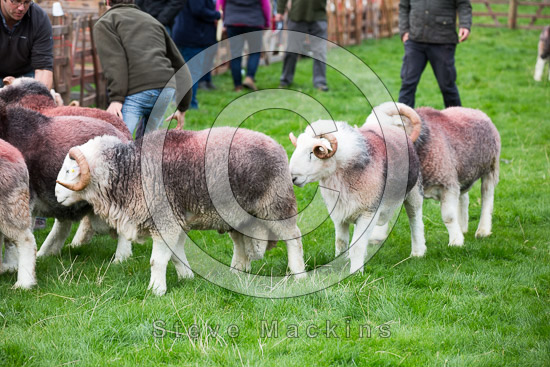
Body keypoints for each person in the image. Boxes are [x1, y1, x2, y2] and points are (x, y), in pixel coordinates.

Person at [93, 0, 191, 138]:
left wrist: (116, 99)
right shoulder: (151, 20)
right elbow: (180, 65)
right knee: (146, 148)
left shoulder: (105, 23)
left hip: (137, 91)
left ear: (107, 1)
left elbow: (115, 63)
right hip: (166, 88)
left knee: (118, 143)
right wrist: (182, 107)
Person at [398, 0, 472, 108]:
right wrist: (404, 30)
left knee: (447, 86)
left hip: (443, 40)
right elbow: (404, 6)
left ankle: (457, 122)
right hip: (415, 40)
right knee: (407, 83)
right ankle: (402, 122)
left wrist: (465, 24)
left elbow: (463, 4)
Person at [172, 0, 221, 109]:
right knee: (192, 72)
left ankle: (178, 101)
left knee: (183, 72)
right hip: (192, 36)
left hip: (185, 33)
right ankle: (189, 104)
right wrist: (217, 15)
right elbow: (198, 10)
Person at [217, 0, 271, 92]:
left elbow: (220, 3)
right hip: (254, 21)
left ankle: (238, 86)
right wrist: (267, 22)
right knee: (254, 52)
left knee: (235, 54)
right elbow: (265, 4)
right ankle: (249, 78)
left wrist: (222, 20)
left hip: (233, 21)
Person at [276, 0, 329, 92]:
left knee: (319, 52)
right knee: (291, 51)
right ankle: (285, 81)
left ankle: (320, 83)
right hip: (297, 16)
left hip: (318, 17)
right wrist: (280, 11)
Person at [0, 0, 53, 89]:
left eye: (27, 2)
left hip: (26, 77)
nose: (21, 8)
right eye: (16, 1)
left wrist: (39, 96)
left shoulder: (39, 18)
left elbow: (43, 68)